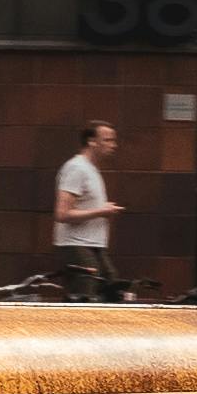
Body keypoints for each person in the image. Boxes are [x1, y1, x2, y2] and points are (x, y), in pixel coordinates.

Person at [53, 122, 122, 302]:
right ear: (92, 141)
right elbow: (62, 213)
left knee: (112, 288)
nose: (113, 145)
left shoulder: (91, 170)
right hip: (76, 244)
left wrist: (102, 209)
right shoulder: (77, 168)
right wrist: (101, 211)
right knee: (84, 297)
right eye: (107, 140)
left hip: (93, 245)